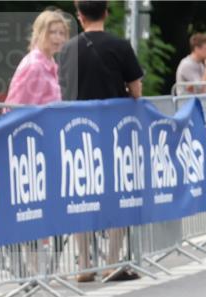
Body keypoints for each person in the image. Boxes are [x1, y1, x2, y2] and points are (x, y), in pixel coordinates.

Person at [59, 0, 144, 282]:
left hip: (78, 134)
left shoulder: (68, 49)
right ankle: (110, 262)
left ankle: (84, 264)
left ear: (79, 16)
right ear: (106, 12)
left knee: (82, 196)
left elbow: (64, 91)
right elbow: (136, 91)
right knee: (119, 193)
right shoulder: (120, 46)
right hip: (114, 134)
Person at [6, 9, 70, 105]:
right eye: (52, 32)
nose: (58, 37)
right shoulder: (35, 66)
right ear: (40, 33)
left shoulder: (49, 63)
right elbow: (19, 109)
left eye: (62, 33)